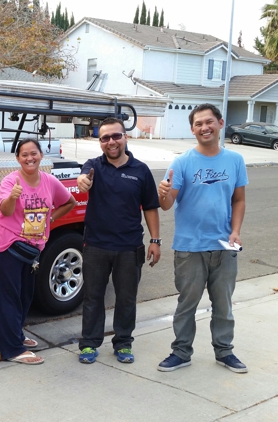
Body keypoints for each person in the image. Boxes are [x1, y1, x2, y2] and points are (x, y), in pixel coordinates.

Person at [157, 104, 249, 373]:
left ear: (220, 123)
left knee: (224, 305)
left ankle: (224, 352)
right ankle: (181, 352)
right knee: (187, 304)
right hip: (189, 247)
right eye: (198, 124)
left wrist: (235, 231)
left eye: (209, 122)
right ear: (192, 129)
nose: (204, 127)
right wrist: (163, 192)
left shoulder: (235, 160)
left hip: (224, 246)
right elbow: (166, 204)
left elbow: (239, 199)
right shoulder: (182, 162)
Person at [76, 117, 161, 365]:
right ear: (100, 141)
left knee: (126, 298)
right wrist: (83, 181)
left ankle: (123, 342)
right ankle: (89, 344)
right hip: (95, 246)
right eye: (105, 138)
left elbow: (151, 207)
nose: (111, 142)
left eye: (116, 136)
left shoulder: (140, 170)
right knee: (92, 297)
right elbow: (83, 180)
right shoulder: (93, 166)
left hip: (129, 247)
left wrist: (156, 240)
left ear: (125, 137)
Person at [0, 139, 76, 365]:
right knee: (8, 298)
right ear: (17, 158)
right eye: (24, 154)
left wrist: (51, 218)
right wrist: (13, 196)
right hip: (7, 246)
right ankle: (12, 349)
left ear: (41, 155)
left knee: (25, 296)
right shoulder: (11, 181)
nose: (30, 158)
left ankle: (16, 334)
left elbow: (70, 202)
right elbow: (5, 211)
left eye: (34, 153)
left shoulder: (49, 181)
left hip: (32, 249)